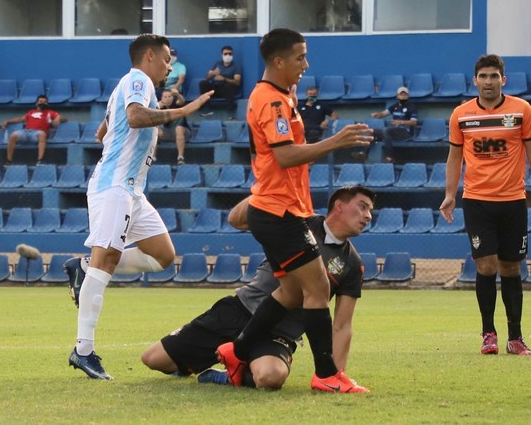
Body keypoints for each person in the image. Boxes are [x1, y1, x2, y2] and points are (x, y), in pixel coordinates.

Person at [215, 28, 373, 394]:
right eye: (300, 57)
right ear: (278, 61)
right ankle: (326, 374)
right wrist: (335, 141)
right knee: (317, 287)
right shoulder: (271, 101)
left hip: (282, 209)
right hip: (278, 211)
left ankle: (236, 351)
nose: (306, 64)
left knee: (290, 291)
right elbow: (284, 155)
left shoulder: (279, 96)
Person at [65, 34, 213, 381]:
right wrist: (180, 111)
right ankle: (83, 350)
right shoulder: (137, 79)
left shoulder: (131, 85)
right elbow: (133, 118)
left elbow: (103, 132)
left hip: (132, 190)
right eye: (165, 59)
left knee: (162, 256)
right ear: (149, 56)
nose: (168, 66)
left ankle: (84, 267)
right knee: (108, 259)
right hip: (115, 186)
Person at [141, 186, 375, 392]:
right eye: (362, 207)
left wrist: (335, 374)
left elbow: (342, 325)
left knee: (269, 378)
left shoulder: (352, 264)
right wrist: (267, 186)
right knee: (152, 359)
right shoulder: (298, 223)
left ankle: (226, 376)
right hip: (239, 311)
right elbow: (238, 219)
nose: (368, 216)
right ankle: (196, 361)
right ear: (339, 206)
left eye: (370, 211)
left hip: (279, 334)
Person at [439, 54, 531, 356]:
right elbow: (454, 158)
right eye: (483, 76)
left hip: (513, 201)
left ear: (504, 79)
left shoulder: (522, 110)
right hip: (476, 201)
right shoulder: (461, 115)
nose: (489, 81)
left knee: (512, 267)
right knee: (487, 266)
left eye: (494, 76)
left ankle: (516, 337)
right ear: (474, 80)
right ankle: (488, 333)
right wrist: (450, 194)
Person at [0, 95, 67, 166]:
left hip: (38, 133)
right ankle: (8, 161)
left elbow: (65, 119)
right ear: (36, 103)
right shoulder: (31, 112)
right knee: (13, 135)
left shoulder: (50, 112)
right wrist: (7, 121)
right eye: (40, 101)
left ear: (47, 104)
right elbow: (20, 119)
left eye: (44, 102)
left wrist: (58, 118)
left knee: (42, 135)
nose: (42, 103)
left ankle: (40, 161)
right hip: (26, 132)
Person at [367, 86, 417, 163]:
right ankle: (362, 152)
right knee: (372, 131)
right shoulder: (395, 106)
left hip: (406, 132)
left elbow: (414, 122)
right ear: (397, 96)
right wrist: (377, 114)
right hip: (394, 132)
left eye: (405, 95)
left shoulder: (411, 107)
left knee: (386, 130)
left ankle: (389, 157)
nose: (403, 97)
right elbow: (383, 113)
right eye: (401, 95)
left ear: (408, 96)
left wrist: (401, 122)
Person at [198, 45, 242, 119]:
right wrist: (212, 74)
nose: (228, 55)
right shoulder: (217, 64)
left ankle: (231, 111)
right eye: (225, 54)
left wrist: (224, 79)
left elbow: (237, 82)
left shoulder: (236, 66)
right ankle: (207, 109)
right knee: (203, 83)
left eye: (230, 54)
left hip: (227, 90)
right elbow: (207, 78)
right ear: (222, 55)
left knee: (229, 86)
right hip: (216, 89)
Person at [157, 88, 191, 165]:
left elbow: (182, 101)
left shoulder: (177, 104)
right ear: (161, 98)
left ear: (173, 97)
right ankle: (153, 157)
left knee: (178, 128)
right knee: (154, 131)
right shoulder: (159, 107)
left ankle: (180, 157)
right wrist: (156, 107)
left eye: (169, 96)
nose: (167, 99)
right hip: (168, 133)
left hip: (184, 133)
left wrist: (177, 94)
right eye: (165, 97)